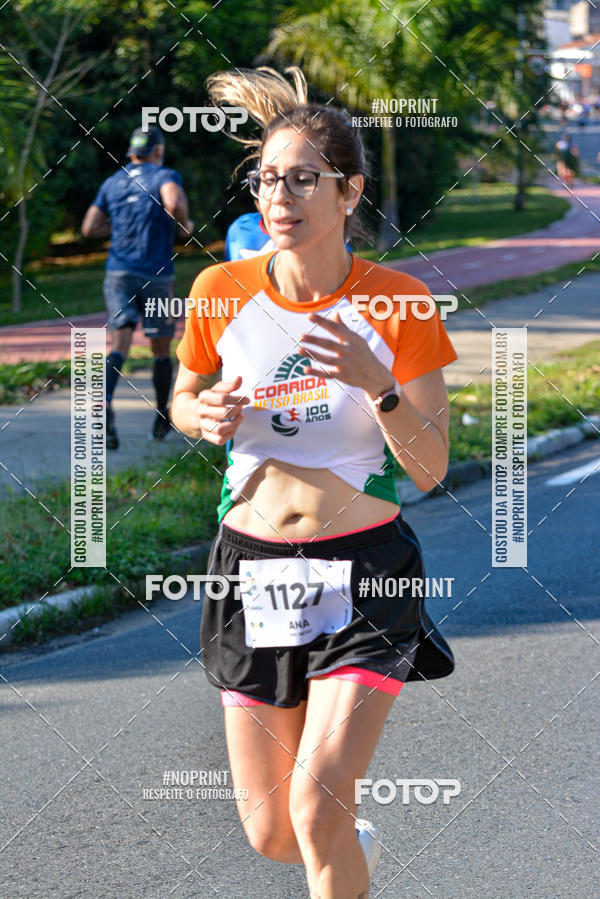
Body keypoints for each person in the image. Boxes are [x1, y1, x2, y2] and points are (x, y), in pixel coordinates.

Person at [172, 66, 457, 898]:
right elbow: (184, 397)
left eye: (303, 178)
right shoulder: (218, 293)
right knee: (272, 832)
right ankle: (343, 843)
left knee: (316, 804)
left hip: (365, 568)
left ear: (348, 190)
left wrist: (380, 383)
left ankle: (335, 832)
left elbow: (430, 466)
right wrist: (203, 415)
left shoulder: (398, 304)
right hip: (251, 567)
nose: (280, 196)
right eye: (268, 178)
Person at [81, 126, 193, 449]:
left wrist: (115, 227)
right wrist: (183, 224)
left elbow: (89, 227)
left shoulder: (112, 182)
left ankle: (103, 404)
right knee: (160, 346)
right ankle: (161, 416)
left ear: (132, 152)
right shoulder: (164, 174)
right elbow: (172, 202)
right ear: (157, 150)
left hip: (118, 272)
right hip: (156, 275)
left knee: (121, 342)